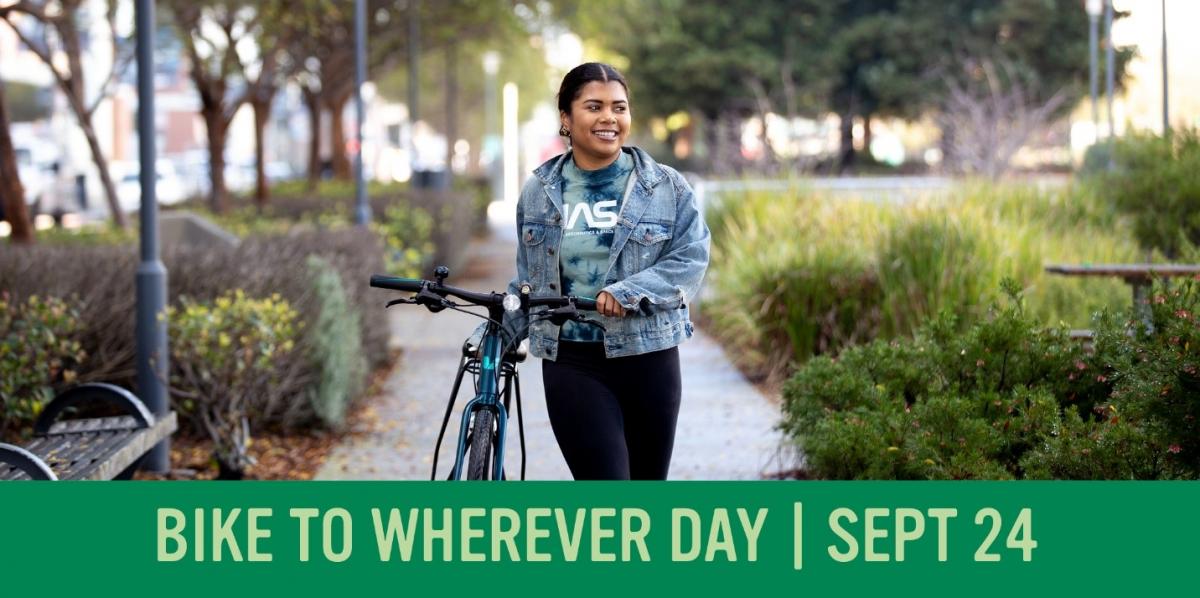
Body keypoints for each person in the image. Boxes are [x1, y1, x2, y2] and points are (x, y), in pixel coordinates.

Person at [503, 62, 711, 480]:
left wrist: (629, 291)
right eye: (594, 106)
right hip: (573, 362)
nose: (609, 118)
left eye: (619, 107)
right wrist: (499, 330)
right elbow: (529, 279)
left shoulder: (666, 187)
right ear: (566, 117)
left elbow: (691, 256)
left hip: (649, 357)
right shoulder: (540, 191)